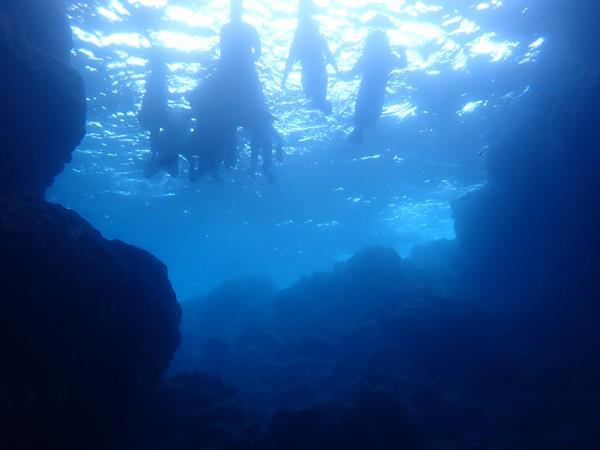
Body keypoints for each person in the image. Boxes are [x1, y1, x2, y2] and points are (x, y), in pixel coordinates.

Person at [346, 30, 407, 144]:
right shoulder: (388, 56)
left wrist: (341, 73)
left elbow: (351, 74)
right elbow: (403, 64)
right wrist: (403, 52)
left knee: (363, 116)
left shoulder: (366, 57)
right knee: (370, 117)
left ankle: (358, 132)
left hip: (366, 90)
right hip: (377, 91)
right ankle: (359, 132)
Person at [282, 0, 338, 114]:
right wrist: (337, 69)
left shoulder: (304, 38)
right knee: (303, 17)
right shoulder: (315, 38)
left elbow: (291, 60)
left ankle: (304, 6)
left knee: (303, 17)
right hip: (316, 71)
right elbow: (329, 54)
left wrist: (284, 78)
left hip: (312, 72)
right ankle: (305, 6)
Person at [139, 53, 169, 156]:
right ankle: (155, 152)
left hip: (151, 110)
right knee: (154, 128)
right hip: (153, 110)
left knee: (154, 129)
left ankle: (154, 152)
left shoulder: (154, 81)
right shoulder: (157, 82)